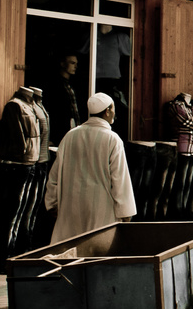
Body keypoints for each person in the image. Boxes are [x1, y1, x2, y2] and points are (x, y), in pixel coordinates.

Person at [44, 92, 137, 248]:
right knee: (96, 254)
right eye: (113, 109)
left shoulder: (69, 136)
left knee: (70, 255)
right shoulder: (112, 139)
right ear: (107, 111)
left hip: (71, 208)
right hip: (101, 210)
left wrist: (52, 202)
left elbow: (54, 175)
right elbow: (119, 178)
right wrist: (125, 212)